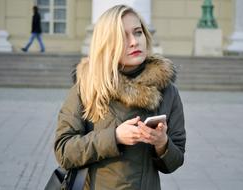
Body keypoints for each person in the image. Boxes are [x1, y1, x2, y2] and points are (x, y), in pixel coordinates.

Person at [54, 4, 186, 190]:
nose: (134, 41)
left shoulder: (167, 90)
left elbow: (175, 161)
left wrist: (162, 143)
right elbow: (64, 150)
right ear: (106, 43)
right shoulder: (87, 86)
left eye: (138, 32)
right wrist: (114, 137)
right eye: (123, 37)